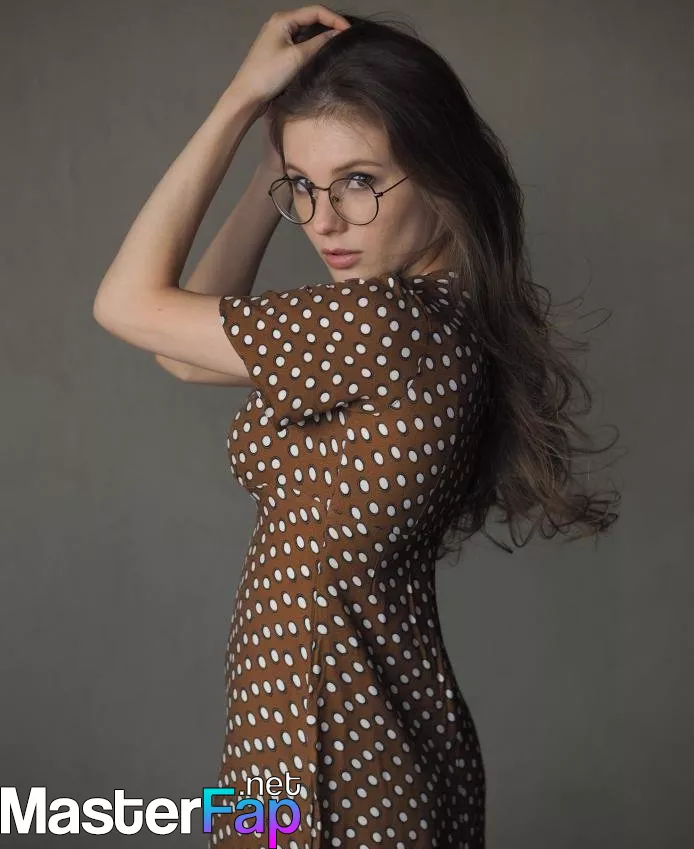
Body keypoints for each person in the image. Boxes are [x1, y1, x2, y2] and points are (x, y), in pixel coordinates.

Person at [93, 6, 621, 847]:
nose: (323, 220)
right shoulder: (437, 319)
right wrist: (273, 163)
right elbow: (181, 356)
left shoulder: (383, 323)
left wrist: (239, 101)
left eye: (360, 181)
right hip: (333, 733)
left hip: (331, 749)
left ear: (442, 174)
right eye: (304, 187)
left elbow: (126, 304)